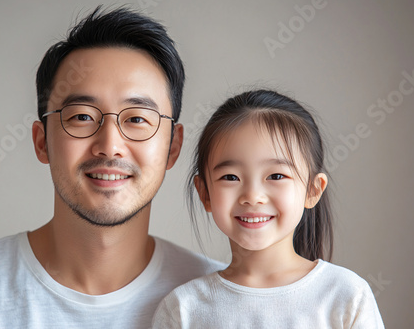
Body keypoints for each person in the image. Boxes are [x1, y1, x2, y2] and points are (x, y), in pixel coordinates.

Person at [0, 6, 223, 328]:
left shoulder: (224, 300)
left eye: (137, 119)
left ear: (173, 147)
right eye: (82, 116)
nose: (110, 145)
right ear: (42, 142)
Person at [152, 89, 385, 328]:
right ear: (205, 194)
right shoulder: (183, 308)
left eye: (276, 175)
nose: (252, 196)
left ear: (313, 190)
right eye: (231, 177)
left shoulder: (345, 296)